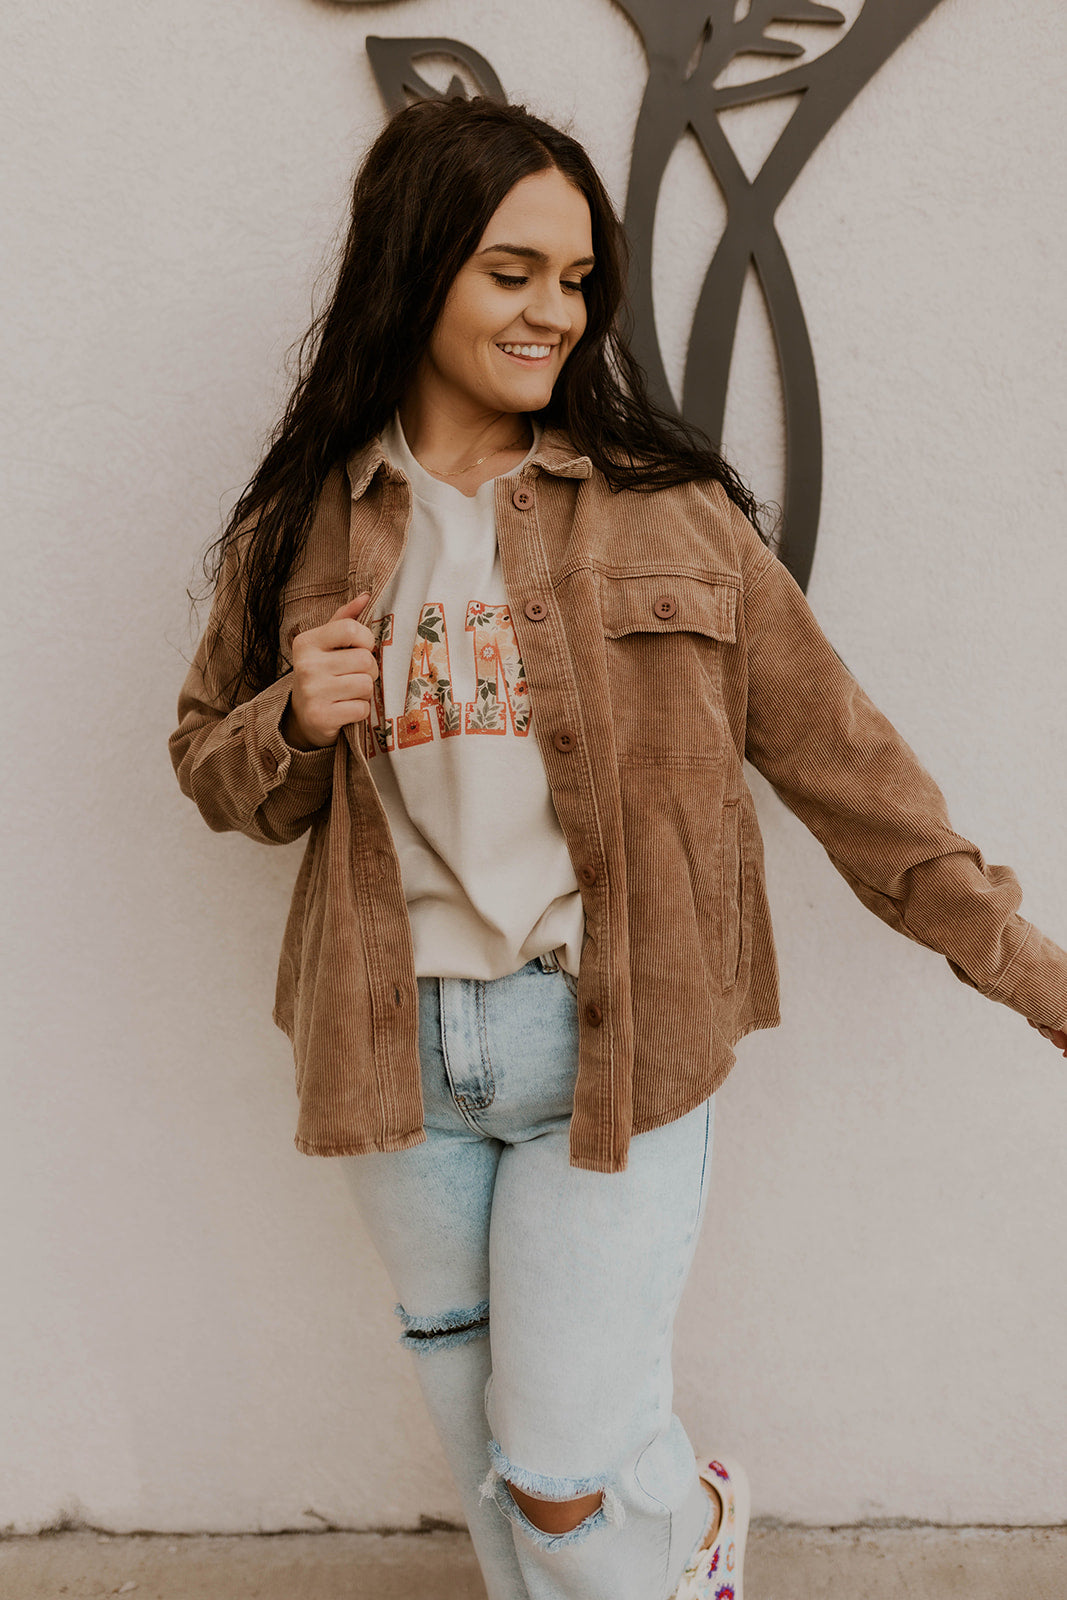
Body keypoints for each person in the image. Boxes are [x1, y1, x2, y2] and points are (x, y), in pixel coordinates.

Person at [168, 94, 1067, 1600]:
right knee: (489, 1460)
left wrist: (1031, 971)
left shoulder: (673, 518)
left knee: (563, 1469)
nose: (554, 312)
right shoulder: (301, 529)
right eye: (512, 271)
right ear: (417, 267)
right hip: (393, 1048)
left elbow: (852, 772)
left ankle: (680, 1526)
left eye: (578, 280)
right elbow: (213, 771)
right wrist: (291, 722)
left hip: (613, 1037)